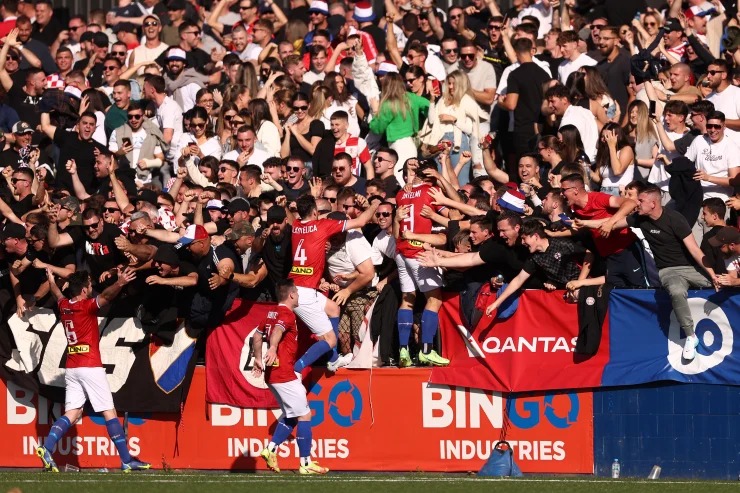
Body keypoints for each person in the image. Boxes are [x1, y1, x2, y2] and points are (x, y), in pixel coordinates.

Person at [36, 269, 151, 473]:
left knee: (73, 412)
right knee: (109, 412)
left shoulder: (64, 306)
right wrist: (121, 283)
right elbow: (106, 296)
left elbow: (57, 294)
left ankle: (46, 448)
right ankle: (126, 460)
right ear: (83, 289)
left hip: (72, 367)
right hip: (90, 366)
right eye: (89, 285)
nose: (91, 288)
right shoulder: (86, 306)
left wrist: (52, 281)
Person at [290, 194, 378, 374]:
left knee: (333, 309)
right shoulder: (323, 226)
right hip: (304, 292)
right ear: (315, 212)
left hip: (298, 287)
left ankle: (333, 359)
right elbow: (361, 221)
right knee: (330, 339)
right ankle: (296, 370)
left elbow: (305, 215)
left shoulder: (295, 225)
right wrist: (374, 205)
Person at [253, 279, 329, 475]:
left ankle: (270, 450)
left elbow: (256, 335)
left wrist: (258, 359)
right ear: (292, 295)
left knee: (291, 415)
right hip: (284, 374)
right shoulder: (286, 314)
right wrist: (272, 347)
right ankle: (305, 463)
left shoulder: (271, 313)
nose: (299, 296)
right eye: (297, 293)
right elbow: (277, 331)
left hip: (273, 375)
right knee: (305, 415)